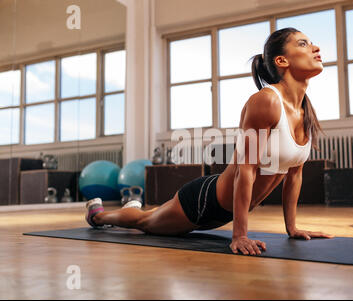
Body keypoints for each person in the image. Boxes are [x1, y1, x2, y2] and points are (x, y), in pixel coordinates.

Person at [85, 27, 334, 256]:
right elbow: (245, 169)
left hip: (224, 210)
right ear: (282, 60)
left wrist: (292, 228)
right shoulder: (266, 102)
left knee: (149, 219)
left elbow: (294, 175)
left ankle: (130, 209)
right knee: (144, 224)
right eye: (304, 44)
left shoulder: (305, 111)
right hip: (204, 203)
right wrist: (240, 235)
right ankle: (97, 216)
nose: (315, 48)